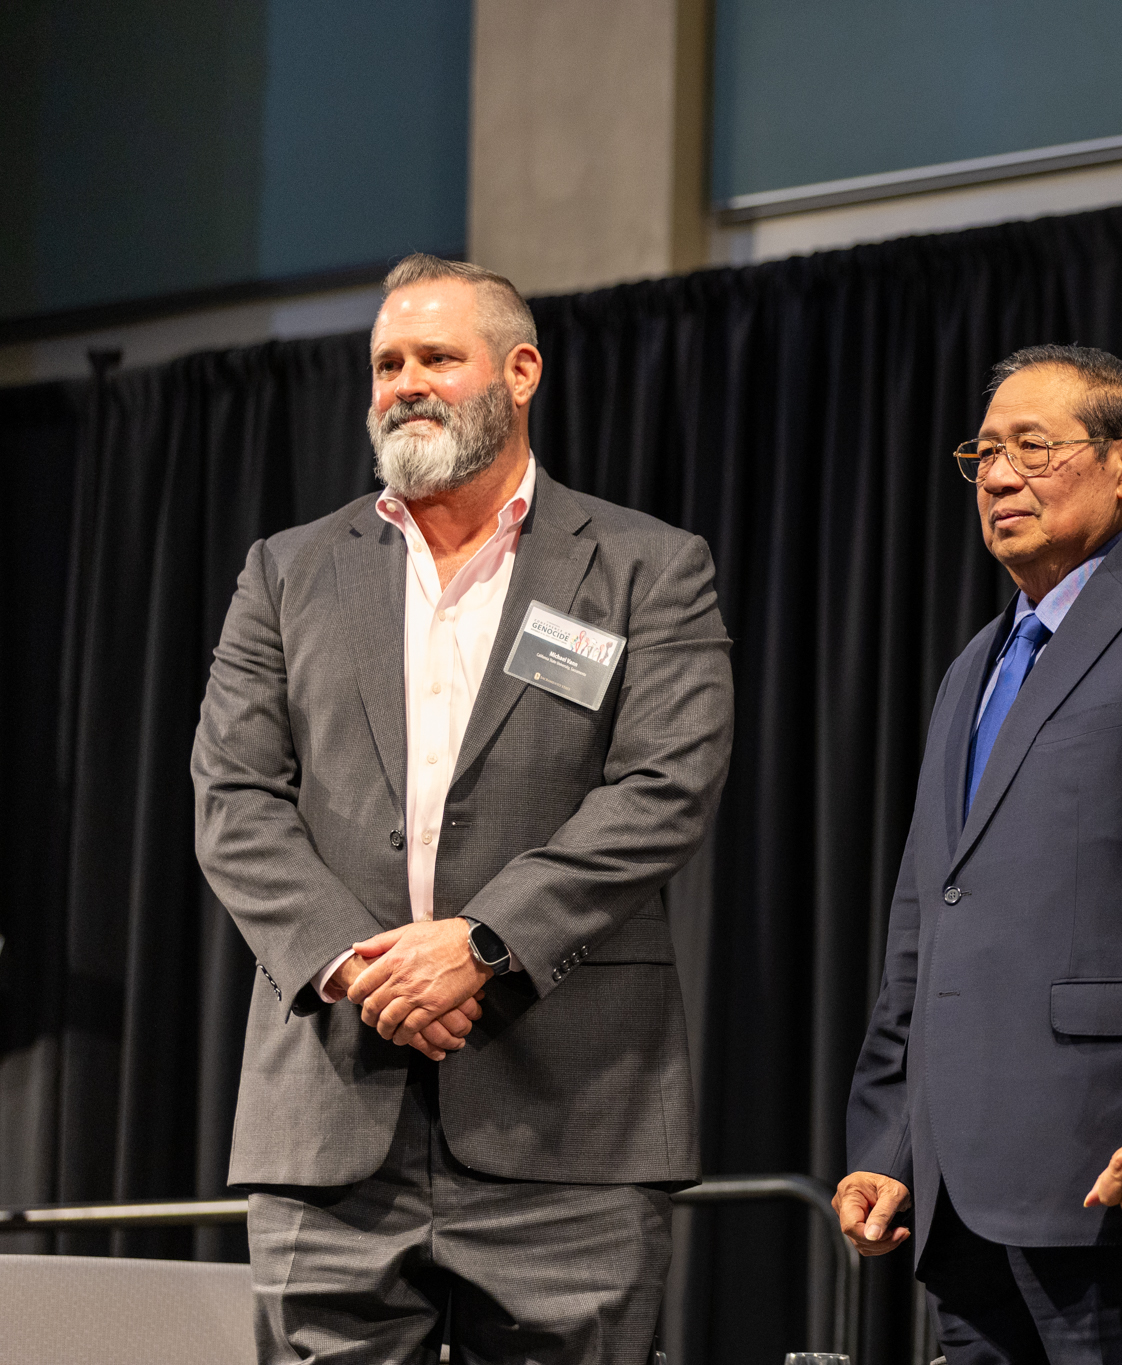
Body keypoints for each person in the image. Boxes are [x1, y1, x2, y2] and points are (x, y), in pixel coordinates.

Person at [192, 254, 733, 1363]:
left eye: (437, 356)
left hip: (570, 1119)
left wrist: (484, 945)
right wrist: (362, 966)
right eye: (386, 363)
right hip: (333, 1103)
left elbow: (665, 785)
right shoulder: (287, 572)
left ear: (519, 371)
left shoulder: (646, 567)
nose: (405, 383)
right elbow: (234, 796)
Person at [836, 346, 1122, 1364]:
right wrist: (890, 1142)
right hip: (964, 1198)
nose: (998, 477)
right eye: (983, 454)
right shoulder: (974, 663)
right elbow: (926, 915)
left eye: (1031, 449)